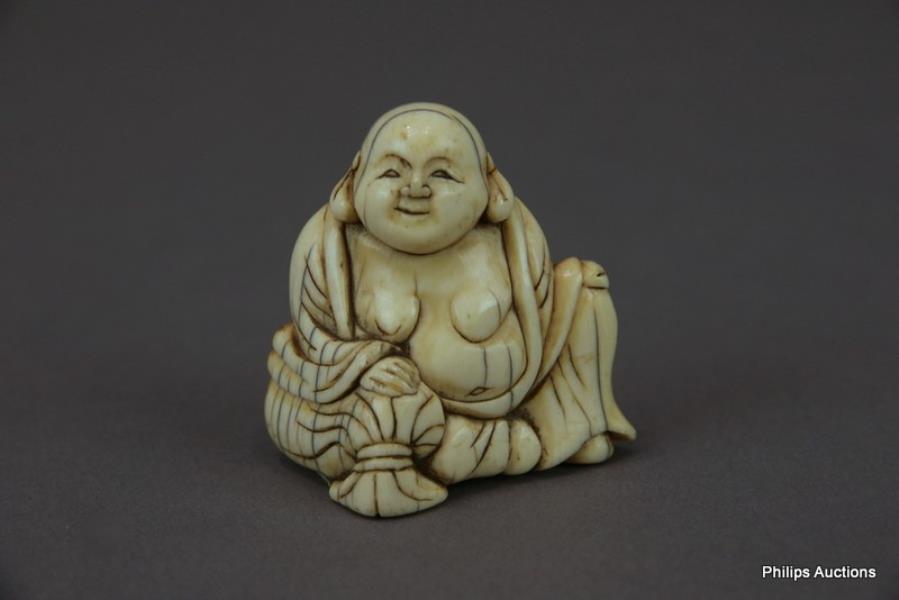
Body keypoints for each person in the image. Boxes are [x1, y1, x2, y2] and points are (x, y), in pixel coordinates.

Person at [264, 103, 636, 516]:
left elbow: (542, 316)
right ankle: (469, 449)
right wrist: (365, 363)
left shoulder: (512, 236)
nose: (415, 188)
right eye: (392, 172)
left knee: (585, 287)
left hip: (505, 396)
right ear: (352, 182)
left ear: (490, 186)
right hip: (387, 404)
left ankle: (560, 429)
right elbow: (312, 340)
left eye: (442, 174)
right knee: (369, 417)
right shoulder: (328, 244)